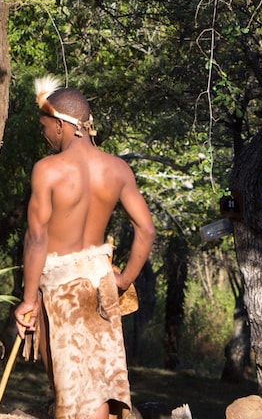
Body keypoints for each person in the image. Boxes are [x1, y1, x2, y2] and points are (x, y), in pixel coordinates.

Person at [13, 75, 156, 419]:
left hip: (61, 291)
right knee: (100, 386)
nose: (44, 134)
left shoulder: (47, 171)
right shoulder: (118, 169)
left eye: (45, 126)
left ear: (62, 125)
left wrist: (29, 300)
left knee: (76, 394)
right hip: (101, 285)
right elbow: (146, 229)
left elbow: (36, 238)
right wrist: (122, 280)